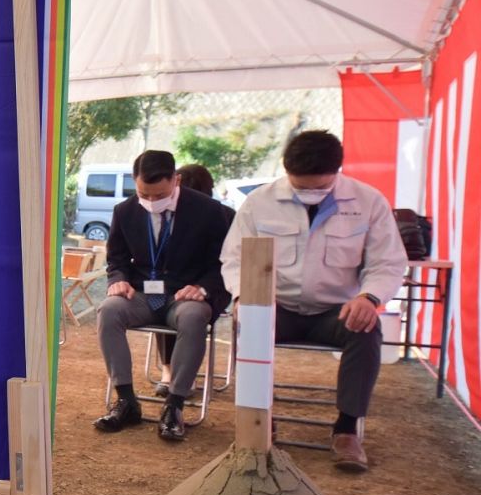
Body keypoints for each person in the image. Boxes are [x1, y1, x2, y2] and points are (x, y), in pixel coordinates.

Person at [221, 130, 407, 471]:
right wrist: (245, 297)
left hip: (335, 311)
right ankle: (260, 422)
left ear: (338, 170)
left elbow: (388, 261)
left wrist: (369, 297)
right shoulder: (259, 202)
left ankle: (347, 430)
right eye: (299, 186)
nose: (309, 193)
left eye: (318, 187)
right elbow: (234, 258)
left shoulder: (368, 202)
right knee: (247, 322)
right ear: (285, 169)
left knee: (367, 328)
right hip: (277, 307)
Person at [94, 150, 232, 441]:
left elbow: (224, 262)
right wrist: (117, 281)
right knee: (109, 310)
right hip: (143, 294)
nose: (152, 202)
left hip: (184, 296)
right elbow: (116, 260)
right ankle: (126, 400)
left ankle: (175, 405)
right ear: (135, 182)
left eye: (159, 195)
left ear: (176, 180)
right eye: (145, 194)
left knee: (195, 317)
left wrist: (203, 287)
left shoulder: (209, 211)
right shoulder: (125, 211)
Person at [154, 163, 237, 395]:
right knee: (159, 299)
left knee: (188, 312)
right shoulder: (165, 216)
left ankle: (177, 374)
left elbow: (226, 265)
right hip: (173, 287)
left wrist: (203, 288)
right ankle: (169, 370)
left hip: (211, 289)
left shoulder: (225, 216)